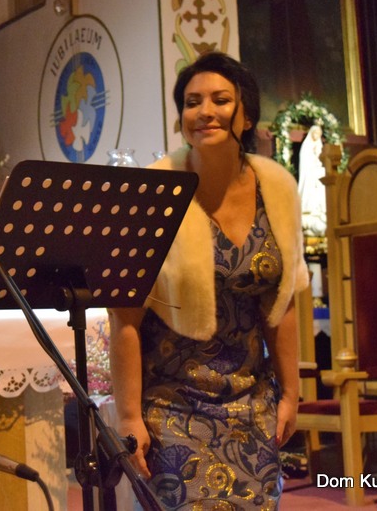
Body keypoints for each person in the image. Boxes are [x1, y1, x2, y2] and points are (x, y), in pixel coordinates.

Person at [109, 52, 307, 509]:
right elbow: (124, 317)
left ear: (246, 114)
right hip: (171, 406)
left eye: (220, 100)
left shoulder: (276, 187)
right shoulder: (154, 190)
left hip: (252, 403)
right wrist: (129, 416)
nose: (205, 111)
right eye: (192, 102)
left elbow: (284, 302)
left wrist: (291, 395)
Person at [297, 123, 327, 238]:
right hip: (309, 176)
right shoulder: (306, 147)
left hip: (318, 176)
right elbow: (305, 163)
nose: (317, 136)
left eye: (319, 134)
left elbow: (322, 162)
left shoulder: (320, 147)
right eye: (315, 133)